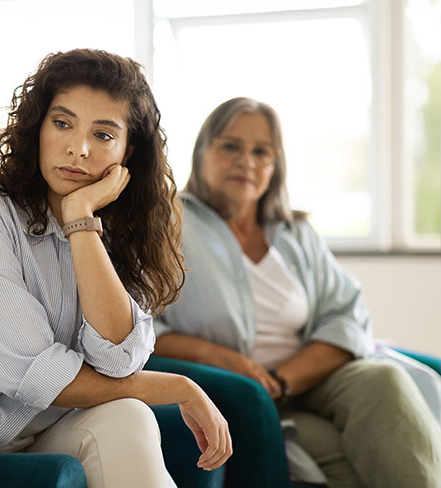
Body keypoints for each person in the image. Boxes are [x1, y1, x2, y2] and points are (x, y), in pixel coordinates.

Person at [0, 49, 232, 487]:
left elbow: (119, 359)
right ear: (37, 127)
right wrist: (179, 387)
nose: (78, 149)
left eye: (102, 135)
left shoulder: (107, 230)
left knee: (126, 417)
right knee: (130, 410)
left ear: (126, 152)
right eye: (63, 124)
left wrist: (80, 218)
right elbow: (39, 378)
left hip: (30, 439)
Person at [153, 97, 441, 487]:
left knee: (386, 381)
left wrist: (282, 379)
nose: (247, 162)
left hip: (312, 379)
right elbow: (142, 328)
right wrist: (221, 358)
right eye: (230, 146)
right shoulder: (168, 222)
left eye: (261, 152)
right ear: (202, 150)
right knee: (348, 457)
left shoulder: (296, 233)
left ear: (275, 166)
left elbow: (346, 315)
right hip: (244, 397)